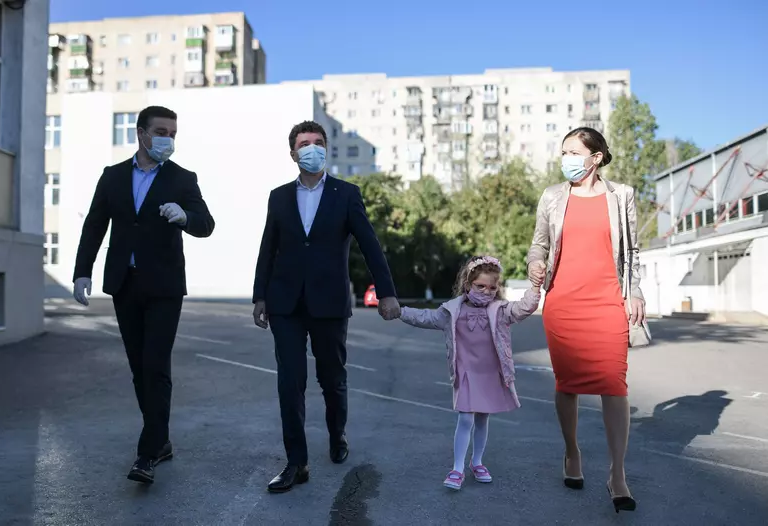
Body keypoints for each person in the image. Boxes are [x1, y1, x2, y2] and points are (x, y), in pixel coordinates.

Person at [252, 120, 400, 493]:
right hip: (285, 301)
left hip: (329, 302)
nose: (312, 148)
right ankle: (296, 463)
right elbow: (268, 248)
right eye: (305, 143)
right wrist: (260, 296)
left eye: (318, 142)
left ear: (326, 149)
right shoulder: (279, 196)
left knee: (332, 379)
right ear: (293, 153)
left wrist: (387, 291)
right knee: (290, 382)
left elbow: (370, 244)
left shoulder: (346, 194)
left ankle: (338, 434)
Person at [72, 105, 215, 485]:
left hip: (165, 287)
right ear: (141, 133)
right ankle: (161, 439)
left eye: (173, 133)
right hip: (125, 284)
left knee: (155, 365)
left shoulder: (183, 179)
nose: (168, 139)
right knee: (139, 368)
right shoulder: (113, 176)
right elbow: (94, 225)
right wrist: (82, 271)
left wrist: (184, 217)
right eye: (162, 131)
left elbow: (206, 224)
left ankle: (147, 453)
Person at [526, 126, 645, 513]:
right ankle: (572, 453)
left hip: (608, 301)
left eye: (574, 152)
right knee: (568, 384)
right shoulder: (552, 197)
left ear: (596, 158)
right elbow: (539, 244)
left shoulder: (621, 196)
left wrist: (636, 291)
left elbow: (634, 251)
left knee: (615, 384)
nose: (566, 160)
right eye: (563, 153)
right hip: (563, 302)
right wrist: (535, 264)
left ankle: (618, 473)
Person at [396, 256, 541, 490]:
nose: (486, 291)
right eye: (480, 286)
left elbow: (524, 308)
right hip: (466, 373)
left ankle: (477, 462)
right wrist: (399, 312)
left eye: (492, 287)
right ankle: (457, 468)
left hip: (491, 373)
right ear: (467, 284)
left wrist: (535, 287)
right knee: (465, 418)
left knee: (482, 418)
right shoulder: (453, 311)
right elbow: (426, 317)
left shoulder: (500, 310)